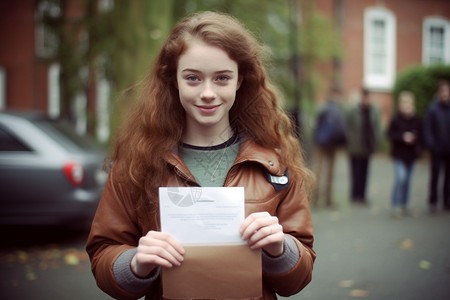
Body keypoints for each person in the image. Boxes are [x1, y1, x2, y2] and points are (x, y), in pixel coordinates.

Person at [86, 11, 315, 300]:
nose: (208, 93)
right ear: (174, 80)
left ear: (239, 80)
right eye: (193, 78)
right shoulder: (136, 164)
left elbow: (298, 278)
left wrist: (279, 248)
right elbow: (104, 254)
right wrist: (136, 263)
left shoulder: (275, 165)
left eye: (222, 78)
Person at [387, 91, 422, 218]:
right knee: (401, 178)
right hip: (399, 155)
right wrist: (402, 137)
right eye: (404, 104)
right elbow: (389, 134)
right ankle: (396, 205)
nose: (406, 107)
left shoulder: (416, 119)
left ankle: (404, 204)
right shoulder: (396, 118)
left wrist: (415, 139)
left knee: (407, 181)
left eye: (408, 105)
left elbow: (421, 136)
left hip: (411, 155)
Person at [345, 88, 382, 204]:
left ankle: (362, 195)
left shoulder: (373, 110)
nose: (366, 100)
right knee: (355, 172)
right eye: (364, 97)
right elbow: (346, 126)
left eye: (368, 98)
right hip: (355, 147)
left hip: (367, 146)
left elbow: (377, 127)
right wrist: (349, 140)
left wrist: (377, 141)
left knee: (365, 172)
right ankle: (355, 195)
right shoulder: (353, 110)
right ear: (361, 98)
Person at [312, 86, 347, 207]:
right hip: (328, 144)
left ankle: (320, 200)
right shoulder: (337, 109)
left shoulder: (323, 107)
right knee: (324, 171)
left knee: (322, 171)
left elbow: (315, 126)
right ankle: (323, 199)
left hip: (323, 143)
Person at [423, 79, 450, 212]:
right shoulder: (432, 108)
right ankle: (433, 200)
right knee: (435, 175)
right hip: (437, 149)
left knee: (448, 177)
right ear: (438, 93)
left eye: (447, 91)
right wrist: (431, 144)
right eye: (443, 91)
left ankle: (446, 201)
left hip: (448, 149)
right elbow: (427, 128)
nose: (445, 94)